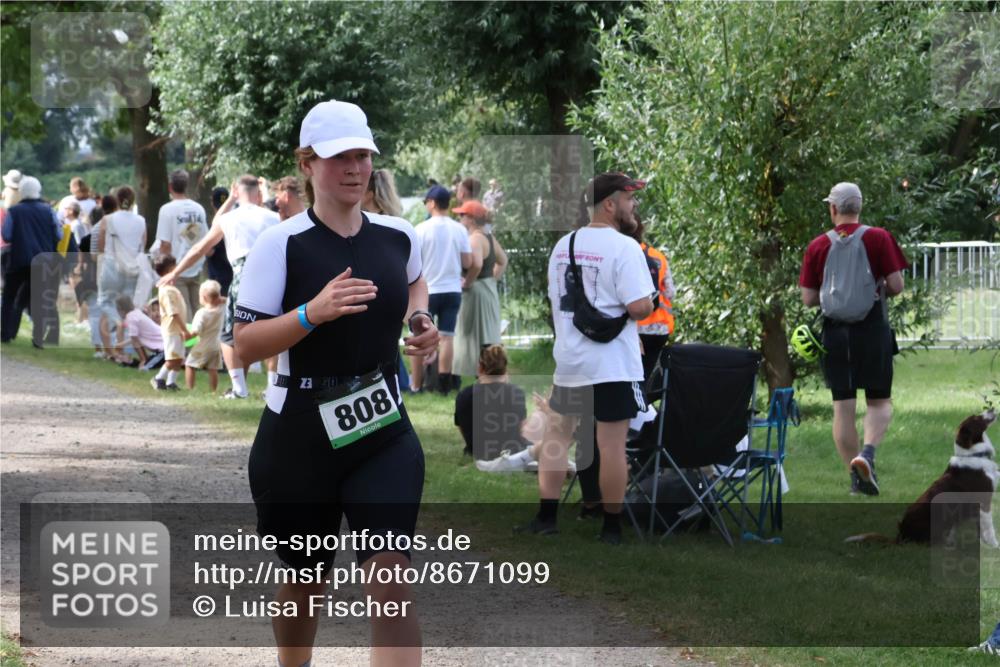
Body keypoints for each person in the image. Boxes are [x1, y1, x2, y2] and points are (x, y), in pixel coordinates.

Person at [233, 99, 438, 667]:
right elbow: (243, 345)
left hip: (383, 427)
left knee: (391, 583)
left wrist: (421, 321)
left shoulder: (399, 235)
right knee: (306, 582)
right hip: (300, 434)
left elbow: (415, 286)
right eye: (338, 157)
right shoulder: (282, 244)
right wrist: (310, 314)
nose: (354, 168)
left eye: (362, 156)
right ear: (307, 164)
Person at [512, 172, 654, 545]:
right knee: (611, 445)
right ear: (610, 204)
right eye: (629, 198)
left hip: (572, 361)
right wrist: (647, 300)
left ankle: (546, 516)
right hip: (612, 365)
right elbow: (640, 307)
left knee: (558, 437)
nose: (633, 205)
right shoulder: (626, 249)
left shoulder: (564, 246)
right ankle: (611, 526)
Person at [799, 182, 908, 496]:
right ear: (859, 207)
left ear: (833, 209)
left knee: (843, 407)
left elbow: (808, 298)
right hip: (873, 328)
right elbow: (896, 285)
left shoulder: (818, 246)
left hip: (835, 333)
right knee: (879, 401)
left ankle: (856, 479)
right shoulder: (878, 238)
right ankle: (868, 454)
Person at [158, 174, 279, 399]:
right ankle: (272, 389)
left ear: (235, 189)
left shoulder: (229, 218)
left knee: (229, 336)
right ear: (257, 192)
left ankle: (239, 389)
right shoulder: (274, 217)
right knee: (274, 332)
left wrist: (175, 272)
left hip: (244, 276)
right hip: (272, 276)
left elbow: (199, 249)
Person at [413, 184, 472, 393]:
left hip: (427, 290)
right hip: (452, 289)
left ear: (432, 203)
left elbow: (413, 262)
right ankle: (444, 385)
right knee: (447, 337)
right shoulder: (460, 229)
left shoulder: (420, 229)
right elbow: (467, 261)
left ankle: (417, 384)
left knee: (422, 336)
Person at [0, 176, 62, 346]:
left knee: (9, 296)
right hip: (43, 261)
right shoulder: (49, 210)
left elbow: (6, 235)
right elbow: (59, 234)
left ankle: (5, 333)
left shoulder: (14, 211)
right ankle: (39, 339)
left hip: (19, 259)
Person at [452, 199, 507, 378]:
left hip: (476, 292)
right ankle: (490, 371)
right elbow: (503, 261)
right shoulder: (489, 238)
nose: (459, 219)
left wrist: (468, 282)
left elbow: (475, 264)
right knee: (488, 333)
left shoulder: (475, 239)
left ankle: (480, 372)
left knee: (475, 334)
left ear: (472, 219)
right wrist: (492, 280)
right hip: (488, 289)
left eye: (462, 215)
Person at [95, 186, 146, 357]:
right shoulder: (141, 221)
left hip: (111, 265)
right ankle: (122, 349)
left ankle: (112, 344)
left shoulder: (108, 219)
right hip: (131, 268)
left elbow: (101, 245)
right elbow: (142, 245)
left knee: (105, 302)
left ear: (116, 200)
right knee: (127, 308)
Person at [455, 344, 531, 458]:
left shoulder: (464, 395)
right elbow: (520, 429)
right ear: (505, 368)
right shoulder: (516, 393)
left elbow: (462, 427)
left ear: (480, 368)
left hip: (476, 451)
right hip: (511, 452)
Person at [154, 169, 209, 320]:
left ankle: (191, 344)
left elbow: (165, 244)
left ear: (170, 186)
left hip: (176, 268)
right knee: (198, 312)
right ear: (186, 186)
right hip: (196, 265)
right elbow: (206, 239)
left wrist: (164, 271)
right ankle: (198, 342)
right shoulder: (198, 208)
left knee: (184, 314)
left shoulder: (167, 210)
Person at [628, 211, 676, 379]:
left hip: (631, 328)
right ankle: (644, 401)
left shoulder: (624, 253)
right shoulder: (658, 256)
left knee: (631, 376)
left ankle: (637, 403)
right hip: (659, 329)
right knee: (646, 375)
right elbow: (670, 292)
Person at [150, 255, 189, 391]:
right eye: (175, 266)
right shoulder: (166, 291)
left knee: (179, 358)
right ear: (170, 270)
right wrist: (185, 330)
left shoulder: (171, 288)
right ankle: (159, 378)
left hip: (178, 329)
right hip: (172, 329)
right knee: (172, 359)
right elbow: (173, 313)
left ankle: (171, 382)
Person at [185, 279, 225, 391]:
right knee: (213, 369)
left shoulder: (201, 313)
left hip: (202, 345)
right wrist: (220, 299)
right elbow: (228, 300)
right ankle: (213, 390)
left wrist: (186, 336)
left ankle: (190, 388)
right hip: (216, 346)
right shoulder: (221, 309)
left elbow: (196, 331)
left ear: (204, 297)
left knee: (189, 365)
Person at [114, 294, 164, 368]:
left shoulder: (131, 318)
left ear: (120, 310)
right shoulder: (136, 313)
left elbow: (135, 341)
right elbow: (136, 338)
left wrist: (143, 359)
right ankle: (131, 361)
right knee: (145, 363)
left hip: (163, 350)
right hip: (162, 348)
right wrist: (122, 344)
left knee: (144, 368)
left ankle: (142, 361)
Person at [205, 186, 234, 296]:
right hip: (234, 272)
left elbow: (209, 251)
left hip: (218, 275)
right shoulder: (235, 221)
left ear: (212, 202)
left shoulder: (214, 224)